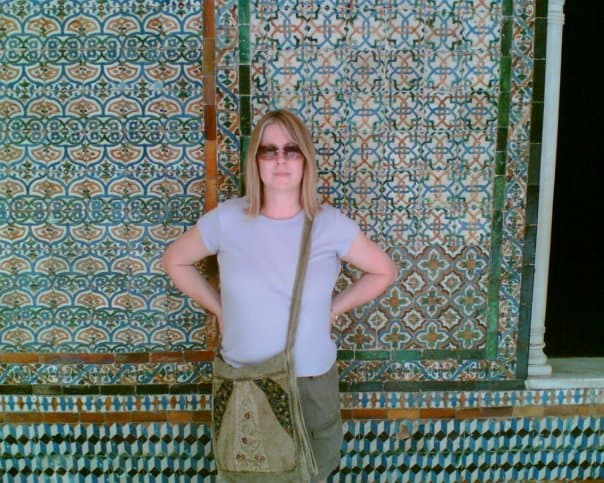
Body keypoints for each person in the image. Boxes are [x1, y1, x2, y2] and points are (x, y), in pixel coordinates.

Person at [162, 109, 397, 482]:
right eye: (268, 150)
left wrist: (333, 309)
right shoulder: (227, 220)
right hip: (245, 384)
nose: (281, 159)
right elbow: (176, 261)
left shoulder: (329, 225)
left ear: (305, 159)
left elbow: (384, 271)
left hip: (309, 385)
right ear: (255, 161)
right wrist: (220, 309)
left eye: (291, 149)